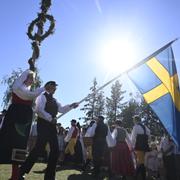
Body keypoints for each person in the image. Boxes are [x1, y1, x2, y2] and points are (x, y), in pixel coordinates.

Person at [18, 81, 78, 180]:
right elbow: (39, 110)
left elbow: (62, 109)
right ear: (49, 86)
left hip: (52, 127)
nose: (55, 89)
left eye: (55, 87)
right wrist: (50, 118)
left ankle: (49, 177)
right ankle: (22, 171)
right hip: (43, 125)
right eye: (53, 87)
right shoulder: (41, 97)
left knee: (55, 151)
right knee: (38, 149)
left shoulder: (55, 100)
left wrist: (71, 105)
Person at [0, 69, 45, 180]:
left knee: (19, 146)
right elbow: (27, 95)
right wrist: (43, 88)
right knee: (7, 143)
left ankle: (15, 176)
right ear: (24, 77)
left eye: (33, 79)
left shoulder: (29, 90)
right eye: (30, 78)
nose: (31, 81)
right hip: (15, 116)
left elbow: (32, 99)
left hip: (25, 119)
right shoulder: (18, 86)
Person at [131, 115, 150, 180]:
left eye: (133, 119)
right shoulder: (145, 127)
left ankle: (141, 176)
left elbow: (133, 138)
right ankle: (137, 176)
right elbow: (149, 135)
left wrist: (132, 147)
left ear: (136, 120)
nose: (133, 121)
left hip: (139, 146)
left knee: (141, 162)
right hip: (145, 147)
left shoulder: (136, 127)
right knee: (141, 161)